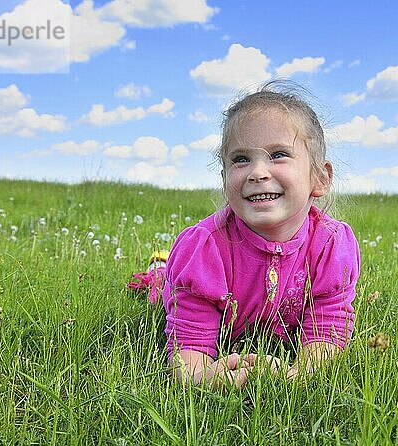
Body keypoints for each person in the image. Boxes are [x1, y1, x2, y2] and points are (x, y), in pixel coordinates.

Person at [134, 81, 360, 387]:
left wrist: (302, 372)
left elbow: (328, 324)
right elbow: (189, 341)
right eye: (241, 159)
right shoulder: (204, 251)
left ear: (319, 177)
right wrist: (200, 378)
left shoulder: (331, 245)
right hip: (191, 280)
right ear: (225, 176)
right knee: (161, 290)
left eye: (278, 154)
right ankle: (161, 269)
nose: (257, 172)